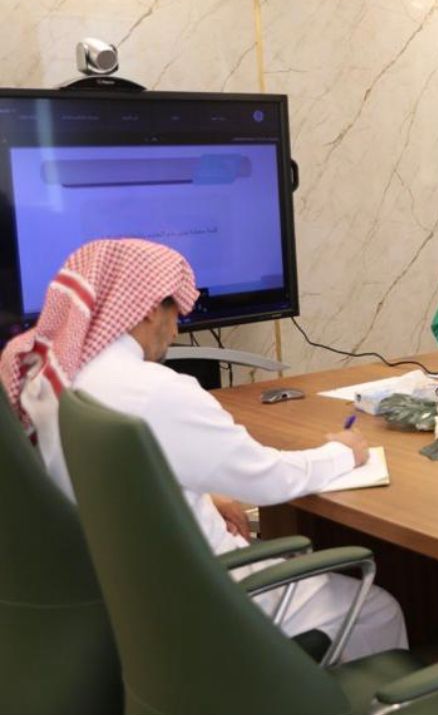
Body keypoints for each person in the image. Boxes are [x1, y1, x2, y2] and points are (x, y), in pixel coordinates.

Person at [0, 238, 407, 660]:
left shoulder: (51, 382)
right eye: (176, 312)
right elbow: (266, 479)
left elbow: (112, 481)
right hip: (207, 596)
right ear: (147, 308)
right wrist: (342, 452)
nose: (177, 330)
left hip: (124, 598)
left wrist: (205, 494)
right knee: (378, 609)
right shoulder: (155, 390)